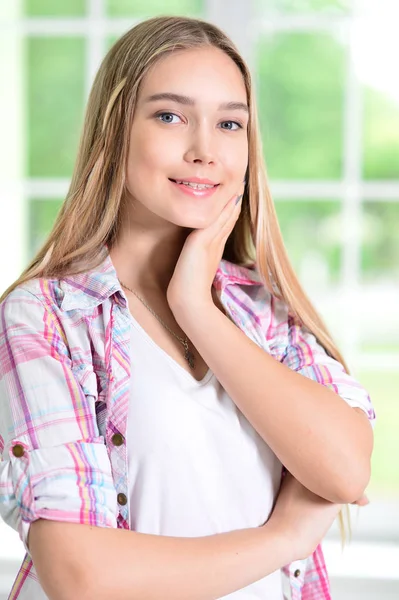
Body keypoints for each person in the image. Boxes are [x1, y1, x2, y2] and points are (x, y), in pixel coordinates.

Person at [0, 15, 375, 600]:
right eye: (170, 116)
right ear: (114, 130)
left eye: (229, 123)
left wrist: (195, 307)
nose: (204, 150)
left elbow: (345, 469)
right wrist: (283, 538)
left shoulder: (263, 309)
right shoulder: (48, 317)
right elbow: (82, 577)